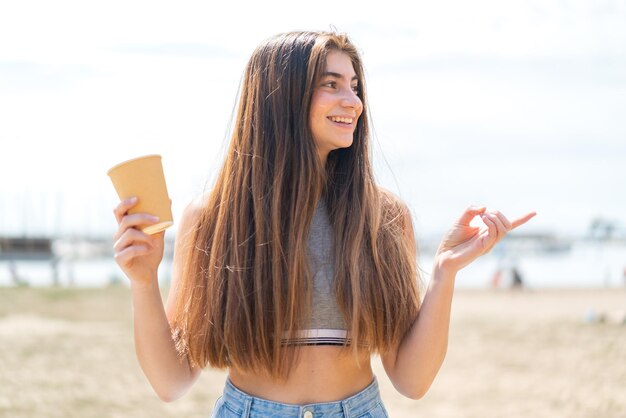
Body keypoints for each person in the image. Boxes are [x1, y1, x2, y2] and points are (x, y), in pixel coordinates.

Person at [112, 31, 536, 417]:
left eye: (354, 86)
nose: (353, 101)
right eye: (331, 84)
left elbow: (412, 380)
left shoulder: (383, 217)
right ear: (280, 97)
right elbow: (171, 382)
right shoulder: (213, 218)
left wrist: (444, 273)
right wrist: (144, 281)